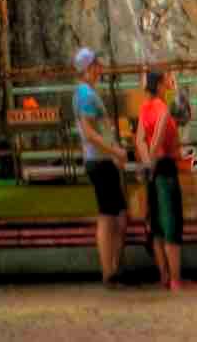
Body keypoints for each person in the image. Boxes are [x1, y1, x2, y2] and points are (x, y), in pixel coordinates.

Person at [69, 48, 129, 285]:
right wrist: (115, 151)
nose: (101, 68)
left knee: (119, 215)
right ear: (89, 68)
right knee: (107, 215)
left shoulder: (87, 92)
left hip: (104, 160)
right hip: (99, 160)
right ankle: (109, 271)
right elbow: (89, 132)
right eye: (96, 64)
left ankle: (114, 266)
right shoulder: (85, 94)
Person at [130, 64, 187, 291]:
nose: (170, 83)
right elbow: (156, 142)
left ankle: (164, 275)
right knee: (171, 224)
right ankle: (175, 279)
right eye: (167, 80)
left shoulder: (145, 108)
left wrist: (147, 164)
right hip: (165, 170)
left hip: (153, 172)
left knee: (157, 227)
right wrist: (154, 160)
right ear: (161, 84)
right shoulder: (164, 109)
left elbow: (140, 140)